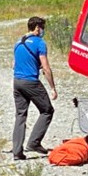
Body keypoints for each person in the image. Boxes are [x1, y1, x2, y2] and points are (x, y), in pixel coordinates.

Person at [12, 16, 58, 160]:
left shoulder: (18, 42)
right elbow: (46, 68)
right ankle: (34, 142)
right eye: (42, 27)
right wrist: (53, 88)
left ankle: (17, 151)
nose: (43, 30)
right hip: (31, 82)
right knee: (47, 110)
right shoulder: (40, 43)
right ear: (37, 28)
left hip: (17, 81)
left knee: (20, 115)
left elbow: (13, 64)